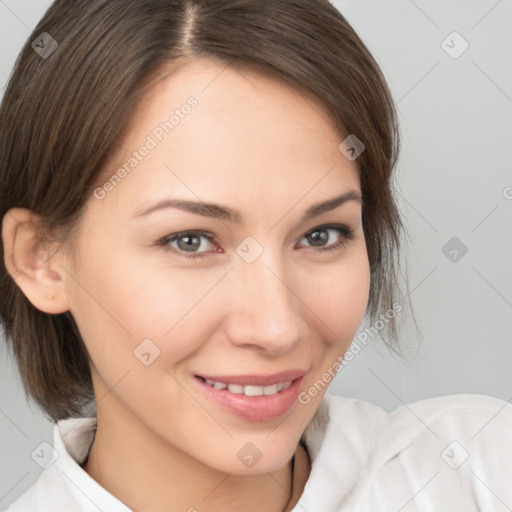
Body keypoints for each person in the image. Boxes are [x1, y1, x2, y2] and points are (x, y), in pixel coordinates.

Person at [0, 1, 510, 511]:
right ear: (40, 259)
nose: (276, 328)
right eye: (190, 241)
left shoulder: (482, 472)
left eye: (320, 235)